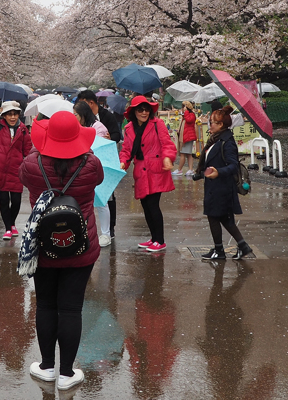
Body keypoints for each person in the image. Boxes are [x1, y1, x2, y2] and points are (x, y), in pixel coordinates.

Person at [20, 110, 103, 391]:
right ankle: (67, 373)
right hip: (81, 246)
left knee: (45, 304)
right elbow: (98, 181)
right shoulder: (91, 164)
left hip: (43, 246)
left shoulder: (32, 163)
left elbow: (24, 176)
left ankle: (46, 367)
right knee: (71, 307)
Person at [194, 104, 254, 261]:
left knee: (215, 217)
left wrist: (218, 172)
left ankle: (220, 250)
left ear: (221, 125)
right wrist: (201, 173)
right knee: (224, 219)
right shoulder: (215, 139)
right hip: (215, 186)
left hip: (222, 187)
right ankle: (242, 247)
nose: (209, 125)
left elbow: (233, 166)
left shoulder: (227, 142)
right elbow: (210, 162)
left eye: (212, 122)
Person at [119, 95, 176, 252]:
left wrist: (168, 158)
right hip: (141, 170)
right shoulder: (129, 128)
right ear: (134, 112)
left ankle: (160, 240)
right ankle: (154, 238)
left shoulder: (158, 124)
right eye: (140, 110)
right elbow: (126, 149)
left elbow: (167, 144)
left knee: (153, 205)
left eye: (146, 109)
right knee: (145, 205)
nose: (144, 113)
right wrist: (123, 161)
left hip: (156, 169)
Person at [0, 83, 32, 239]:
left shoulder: (23, 130)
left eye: (15, 114)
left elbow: (28, 150)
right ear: (3, 115)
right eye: (9, 114)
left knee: (15, 201)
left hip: (16, 171)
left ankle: (13, 223)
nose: (12, 117)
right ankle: (8, 228)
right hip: (0, 170)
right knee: (3, 200)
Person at [79, 90, 120, 239]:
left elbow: (117, 134)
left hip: (104, 160)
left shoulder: (105, 117)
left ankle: (110, 229)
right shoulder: (83, 121)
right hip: (89, 162)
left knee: (107, 197)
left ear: (90, 103)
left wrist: (109, 139)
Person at [175, 101, 199, 174]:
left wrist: (185, 112)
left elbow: (189, 120)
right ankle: (190, 169)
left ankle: (179, 170)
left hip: (188, 137)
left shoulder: (191, 114)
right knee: (188, 154)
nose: (183, 108)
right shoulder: (185, 115)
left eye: (184, 106)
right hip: (185, 137)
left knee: (183, 154)